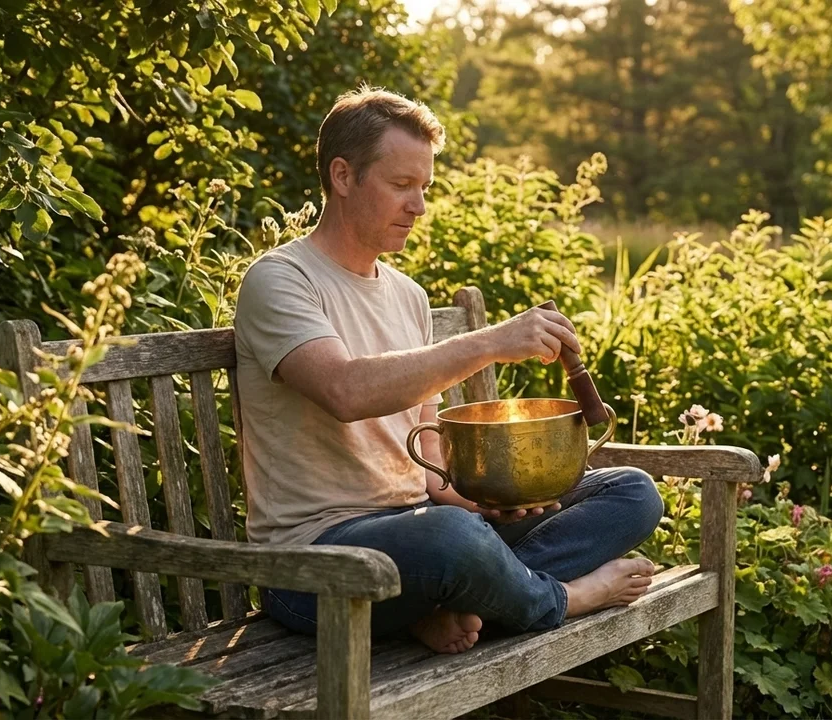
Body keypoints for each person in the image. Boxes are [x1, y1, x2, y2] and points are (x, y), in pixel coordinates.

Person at [233, 86, 664, 654]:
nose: (419, 206)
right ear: (343, 176)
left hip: (416, 534)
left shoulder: (407, 296)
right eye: (401, 185)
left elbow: (430, 470)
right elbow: (344, 389)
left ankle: (453, 602)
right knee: (451, 538)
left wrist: (488, 502)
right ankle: (561, 597)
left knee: (631, 492)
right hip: (316, 562)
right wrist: (489, 342)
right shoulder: (281, 280)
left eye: (424, 188)